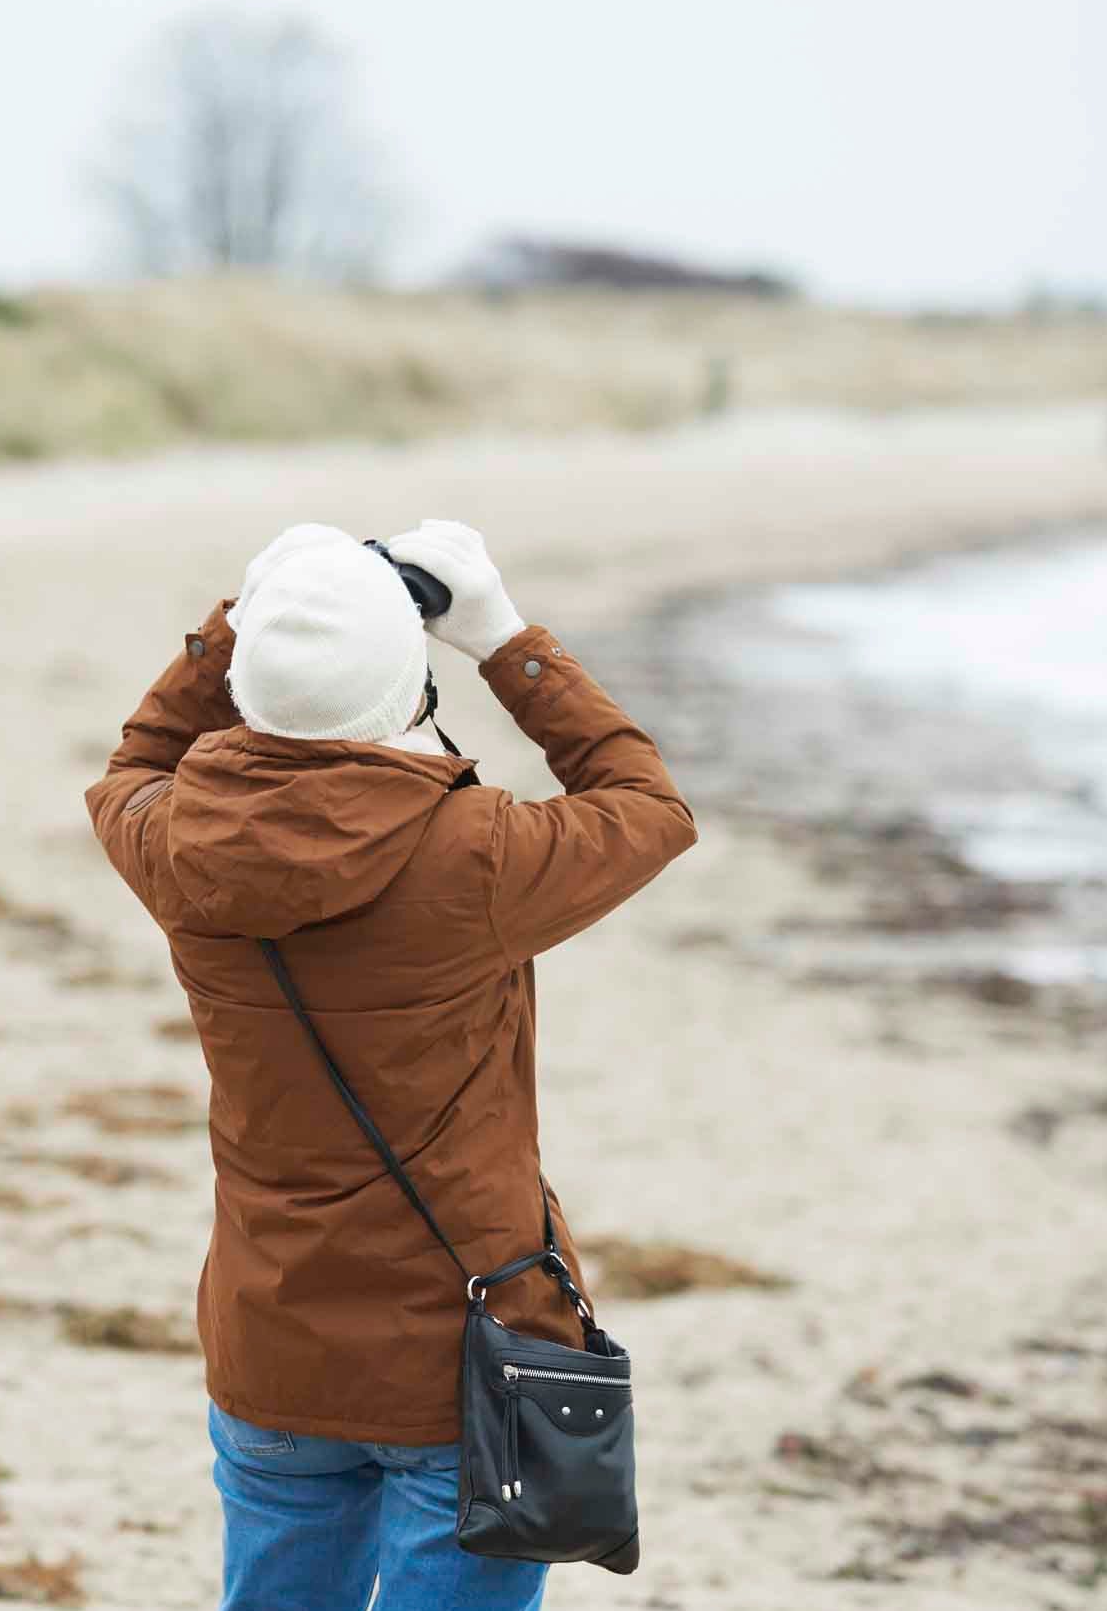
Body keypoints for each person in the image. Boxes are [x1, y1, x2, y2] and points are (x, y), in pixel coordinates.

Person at [85, 521, 697, 1608]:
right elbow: (647, 803)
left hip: (273, 1343)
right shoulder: (482, 857)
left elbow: (133, 761)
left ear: (249, 690)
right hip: (467, 1364)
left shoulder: (178, 848)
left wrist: (243, 621)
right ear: (411, 691)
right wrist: (507, 640)